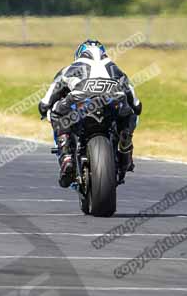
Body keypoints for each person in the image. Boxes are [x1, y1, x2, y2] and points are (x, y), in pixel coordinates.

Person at [37, 39, 142, 187]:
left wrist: (44, 108)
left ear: (79, 54)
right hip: (114, 99)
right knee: (130, 115)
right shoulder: (115, 68)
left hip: (81, 98)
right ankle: (125, 146)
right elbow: (136, 105)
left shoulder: (69, 68)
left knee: (56, 113)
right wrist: (132, 110)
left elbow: (45, 102)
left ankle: (66, 155)